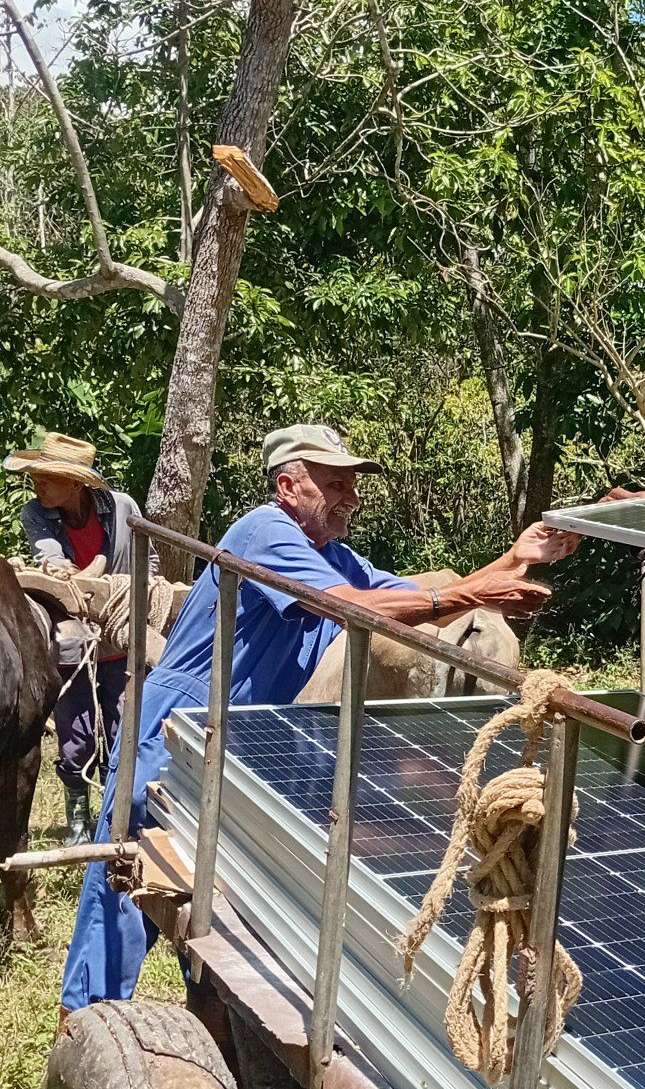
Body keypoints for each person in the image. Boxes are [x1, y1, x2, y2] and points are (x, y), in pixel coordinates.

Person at [60, 421, 577, 1018]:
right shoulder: (264, 531)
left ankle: (211, 1013)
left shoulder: (330, 556)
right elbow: (353, 607)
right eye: (336, 485)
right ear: (288, 487)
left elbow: (413, 599)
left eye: (353, 487)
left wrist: (514, 560)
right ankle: (88, 1021)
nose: (351, 500)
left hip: (239, 740)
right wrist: (470, 594)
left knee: (219, 885)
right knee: (126, 879)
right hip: (178, 728)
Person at [4, 432, 148, 842]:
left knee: (124, 732)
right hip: (70, 644)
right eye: (36, 476)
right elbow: (55, 565)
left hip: (121, 638)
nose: (38, 484)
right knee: (75, 739)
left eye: (48, 476)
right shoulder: (36, 514)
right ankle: (79, 823)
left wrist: (128, 585)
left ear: (76, 482)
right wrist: (82, 569)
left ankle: (115, 819)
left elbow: (146, 558)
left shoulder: (123, 509)